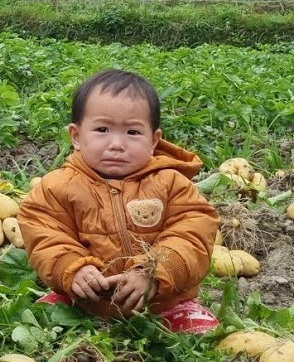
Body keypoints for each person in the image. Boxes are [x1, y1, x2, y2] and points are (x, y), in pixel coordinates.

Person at [16, 69, 220, 333]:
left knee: (199, 330)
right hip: (86, 300)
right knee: (42, 319)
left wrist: (152, 271)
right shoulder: (57, 187)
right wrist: (72, 267)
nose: (116, 144)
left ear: (153, 141)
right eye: (102, 129)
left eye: (133, 132)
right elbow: (45, 234)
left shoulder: (171, 183)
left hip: (162, 301)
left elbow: (193, 234)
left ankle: (177, 310)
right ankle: (75, 305)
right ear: (76, 136)